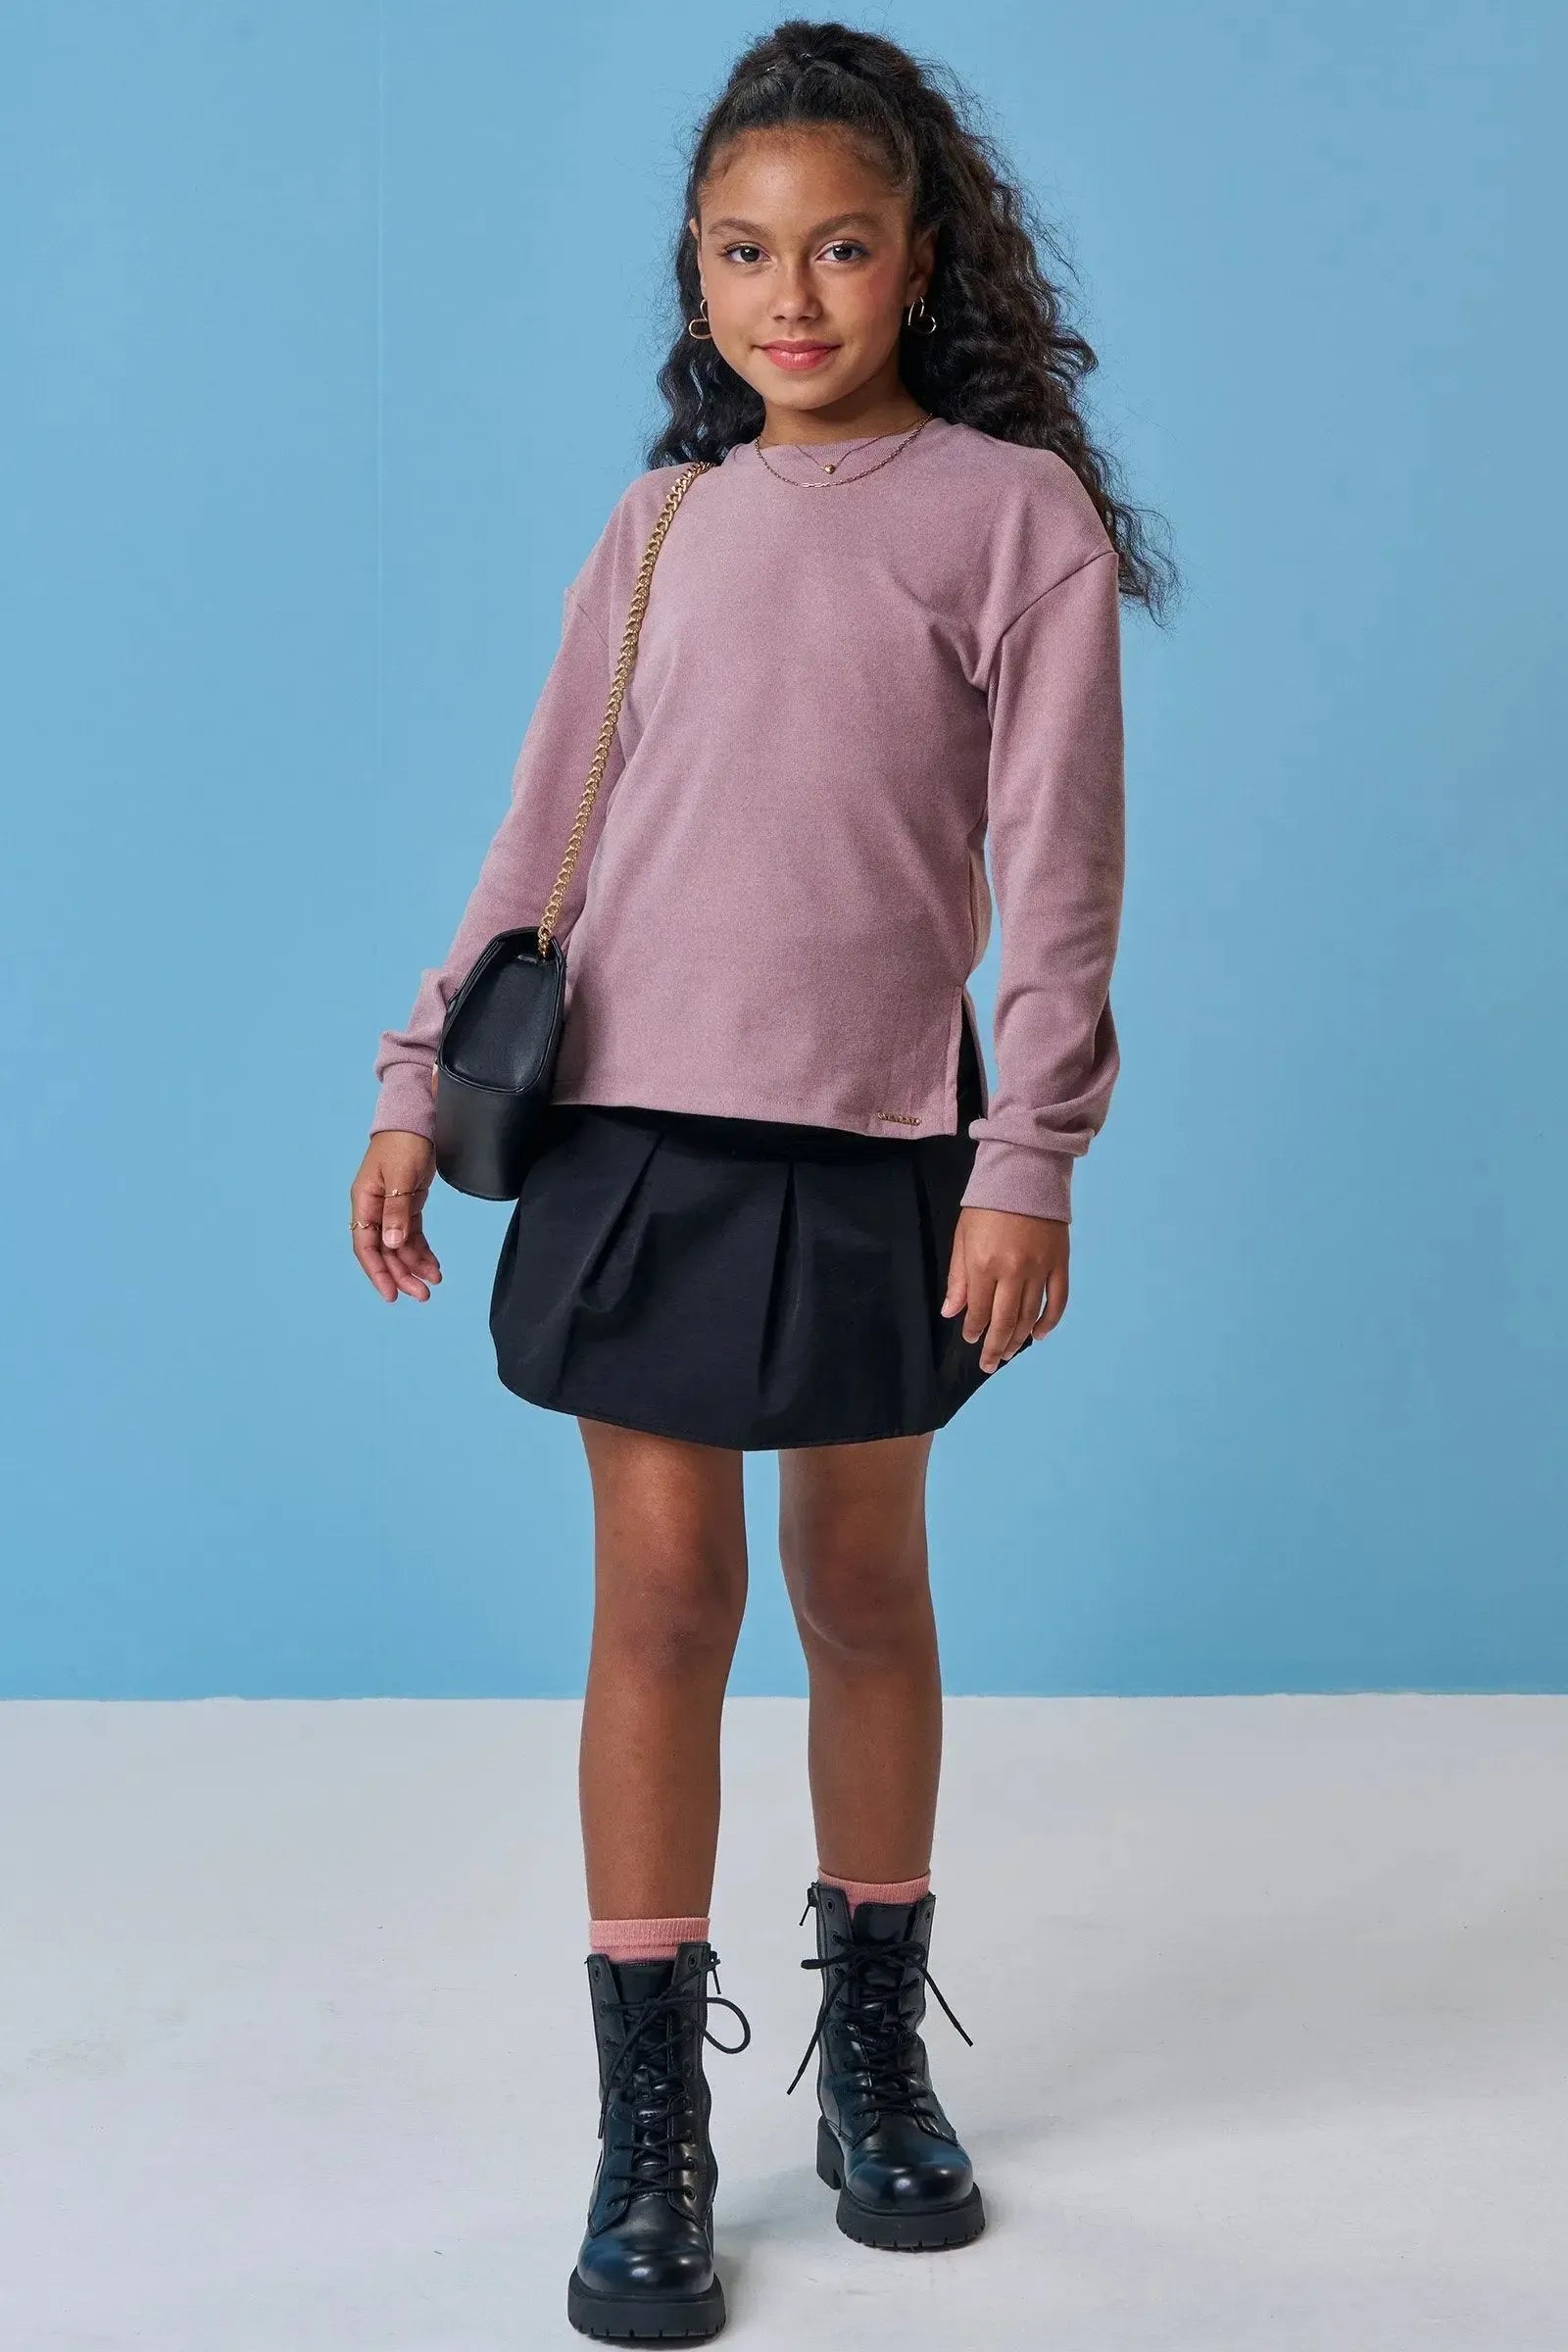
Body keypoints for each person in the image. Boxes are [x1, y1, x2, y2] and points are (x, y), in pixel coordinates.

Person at [350, 18, 1174, 2341]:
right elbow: (543, 835)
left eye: (835, 246)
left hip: (882, 1136)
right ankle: (650, 2124)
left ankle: (876, 2061)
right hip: (632, 1126)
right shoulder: (660, 524)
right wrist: (414, 1074)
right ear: (693, 272)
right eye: (738, 249)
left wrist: (1030, 1155)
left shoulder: (1010, 517)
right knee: (658, 1593)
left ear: (921, 260)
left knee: (864, 1586)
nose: (784, 294)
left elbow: (1059, 873)